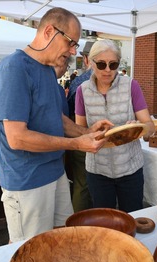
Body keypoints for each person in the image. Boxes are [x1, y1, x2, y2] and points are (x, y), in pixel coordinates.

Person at [0, 7, 112, 243]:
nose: (74, 50)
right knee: (33, 253)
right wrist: (76, 144)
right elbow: (17, 138)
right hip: (27, 183)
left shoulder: (46, 71)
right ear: (48, 31)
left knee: (61, 242)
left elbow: (57, 118)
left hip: (54, 174)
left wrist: (86, 132)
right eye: (71, 42)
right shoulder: (14, 68)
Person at [75, 39, 155, 213]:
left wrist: (138, 128)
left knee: (133, 218)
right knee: (105, 222)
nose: (107, 70)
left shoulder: (131, 86)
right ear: (91, 62)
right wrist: (91, 132)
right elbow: (79, 132)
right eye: (102, 64)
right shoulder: (82, 90)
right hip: (98, 171)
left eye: (113, 64)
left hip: (130, 168)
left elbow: (150, 126)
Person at [66, 41, 94, 212]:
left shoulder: (79, 82)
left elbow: (68, 110)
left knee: (82, 185)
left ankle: (80, 224)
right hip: (99, 139)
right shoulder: (117, 82)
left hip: (81, 138)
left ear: (85, 59)